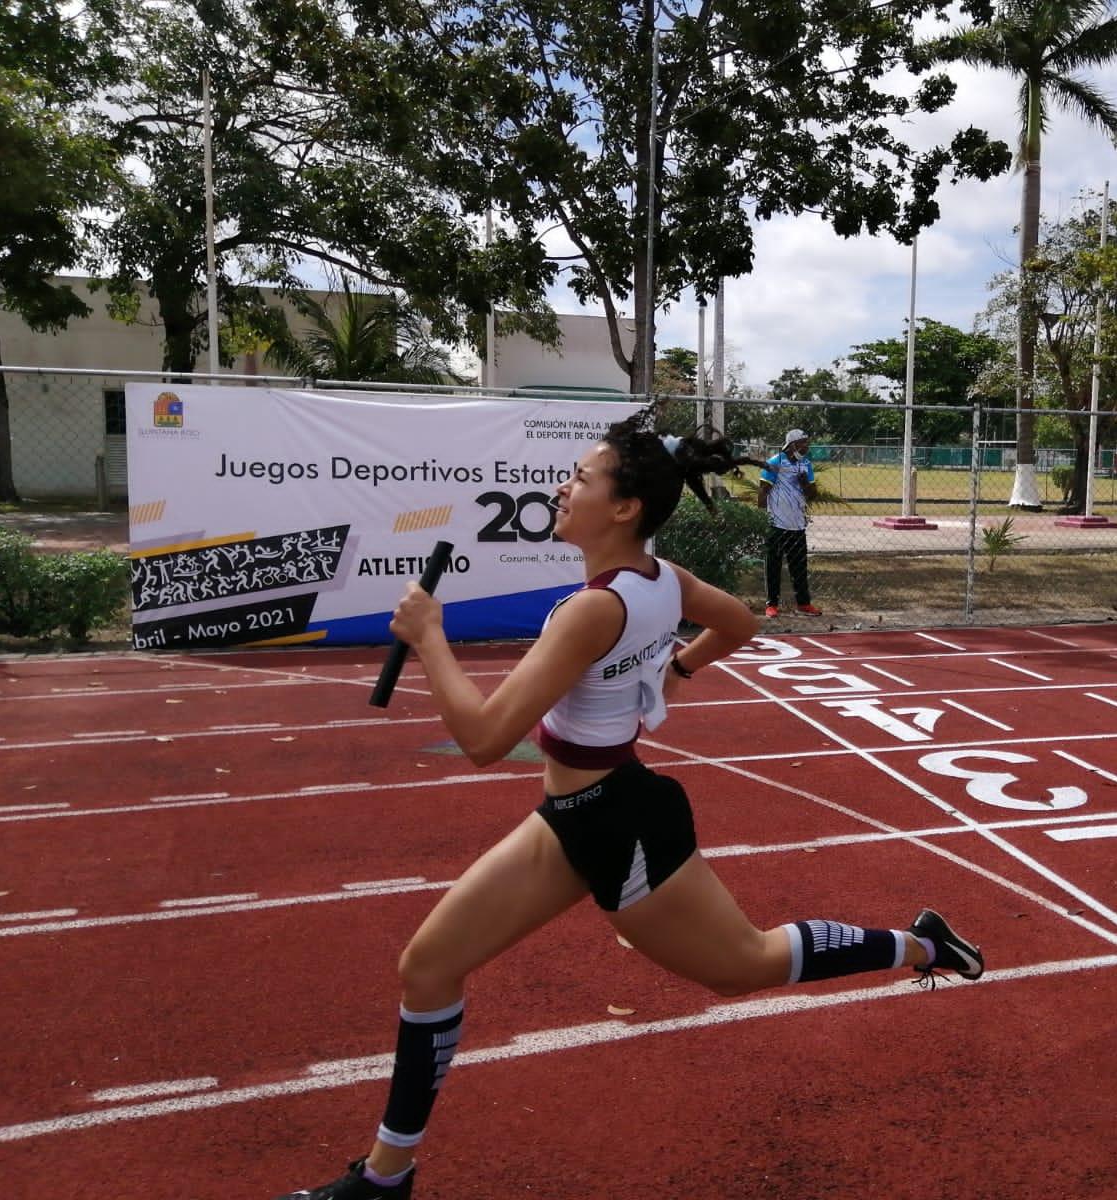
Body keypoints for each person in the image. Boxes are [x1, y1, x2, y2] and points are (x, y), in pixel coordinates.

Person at [273, 408, 983, 1200]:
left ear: (623, 508)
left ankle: (922, 947)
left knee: (742, 966)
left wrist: (429, 636)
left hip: (621, 824)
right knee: (428, 965)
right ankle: (385, 1177)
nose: (560, 487)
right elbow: (739, 623)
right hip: (574, 818)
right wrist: (675, 672)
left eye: (578, 478)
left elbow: (482, 738)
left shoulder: (593, 610)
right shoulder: (659, 579)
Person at [759, 428, 821, 618]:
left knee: (799, 567)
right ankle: (772, 605)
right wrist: (761, 518)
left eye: (807, 443)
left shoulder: (806, 464)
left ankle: (803, 604)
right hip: (776, 524)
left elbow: (812, 495)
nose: (806, 447)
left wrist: (805, 483)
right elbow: (763, 491)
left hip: (797, 525)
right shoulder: (774, 463)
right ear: (792, 444)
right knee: (774, 565)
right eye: (803, 443)